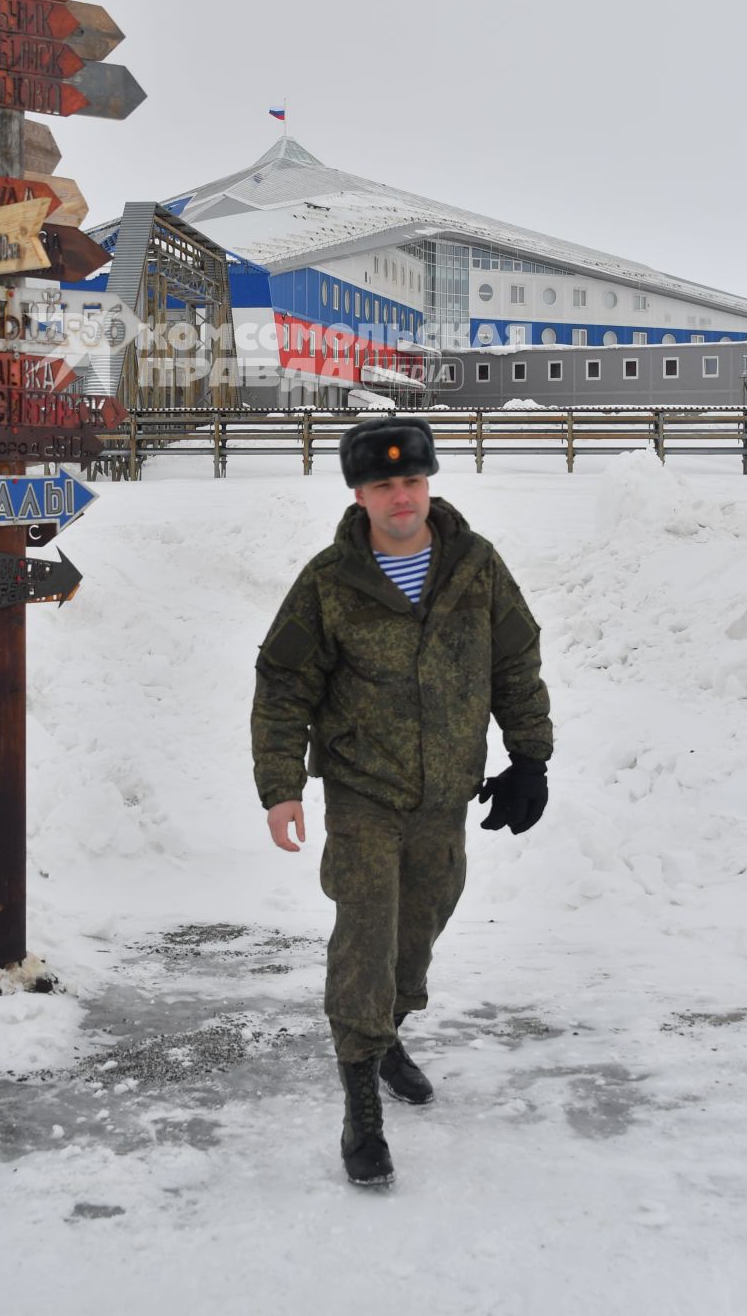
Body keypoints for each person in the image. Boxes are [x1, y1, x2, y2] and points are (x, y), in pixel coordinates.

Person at [251, 415, 553, 1186]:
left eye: (412, 481)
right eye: (384, 485)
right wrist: (281, 786)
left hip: (444, 791)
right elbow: (284, 686)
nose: (402, 498)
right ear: (359, 494)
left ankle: (386, 1036)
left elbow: (515, 662)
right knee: (366, 933)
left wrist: (529, 759)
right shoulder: (329, 582)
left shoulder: (476, 568)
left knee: (420, 928)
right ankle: (361, 1110)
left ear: (429, 484)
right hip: (363, 790)